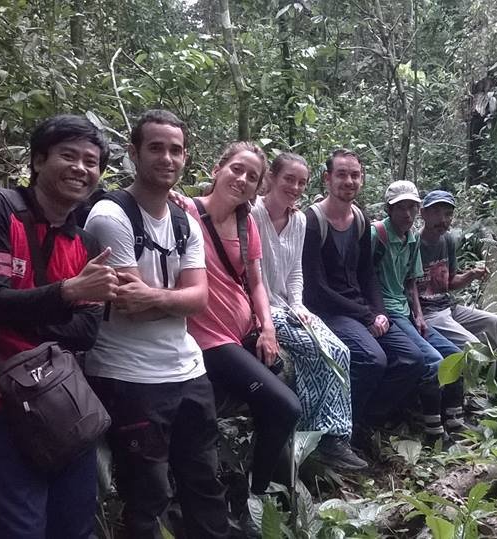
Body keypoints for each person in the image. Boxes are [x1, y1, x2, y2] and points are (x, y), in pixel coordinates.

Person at [0, 115, 118, 538]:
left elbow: (85, 333)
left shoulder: (86, 244)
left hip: (65, 399)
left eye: (91, 161)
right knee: (20, 527)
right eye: (69, 155)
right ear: (39, 160)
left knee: (74, 524)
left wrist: (8, 310)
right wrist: (66, 294)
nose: (81, 168)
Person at [83, 110, 229, 538]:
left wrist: (160, 297)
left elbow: (199, 299)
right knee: (146, 495)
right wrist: (176, 299)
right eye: (156, 148)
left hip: (188, 370)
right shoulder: (111, 216)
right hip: (128, 375)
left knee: (205, 482)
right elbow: (132, 305)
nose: (167, 158)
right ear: (133, 153)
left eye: (176, 150)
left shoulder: (184, 221)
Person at [184, 142, 302, 499]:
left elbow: (256, 281)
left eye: (252, 176)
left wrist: (267, 328)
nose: (242, 179)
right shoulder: (184, 212)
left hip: (245, 331)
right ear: (217, 169)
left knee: (282, 377)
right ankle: (258, 492)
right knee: (286, 406)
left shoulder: (245, 221)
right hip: (209, 340)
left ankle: (261, 479)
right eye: (237, 169)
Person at [301, 148, 425, 444]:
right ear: (327, 179)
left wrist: (379, 312)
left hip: (360, 308)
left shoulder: (360, 219)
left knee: (413, 359)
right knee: (373, 359)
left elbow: (368, 274)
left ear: (362, 179)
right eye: (341, 174)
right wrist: (367, 315)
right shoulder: (312, 222)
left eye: (355, 175)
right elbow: (316, 289)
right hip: (328, 311)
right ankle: (336, 432)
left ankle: (365, 421)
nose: (349, 181)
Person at [251, 152, 366, 470]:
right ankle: (319, 437)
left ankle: (332, 436)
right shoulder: (252, 214)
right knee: (318, 350)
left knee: (340, 350)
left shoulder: (299, 220)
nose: (295, 187)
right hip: (257, 307)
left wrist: (299, 305)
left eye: (301, 182)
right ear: (271, 177)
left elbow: (295, 274)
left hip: (288, 304)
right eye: (289, 179)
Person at [371, 180, 464, 443]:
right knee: (433, 362)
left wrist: (419, 314)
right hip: (387, 312)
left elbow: (411, 280)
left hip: (408, 312)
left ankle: (456, 421)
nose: (407, 214)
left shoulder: (411, 238)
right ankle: (434, 431)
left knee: (455, 356)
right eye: (401, 208)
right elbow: (362, 274)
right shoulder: (376, 234)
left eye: (412, 207)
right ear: (389, 209)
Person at [417, 190, 497, 393]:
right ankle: (472, 391)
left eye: (448, 214)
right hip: (428, 313)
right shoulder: (413, 244)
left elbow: (449, 282)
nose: (443, 220)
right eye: (436, 212)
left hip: (448, 306)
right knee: (473, 345)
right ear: (423, 213)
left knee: (496, 323)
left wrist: (471, 275)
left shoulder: (448, 240)